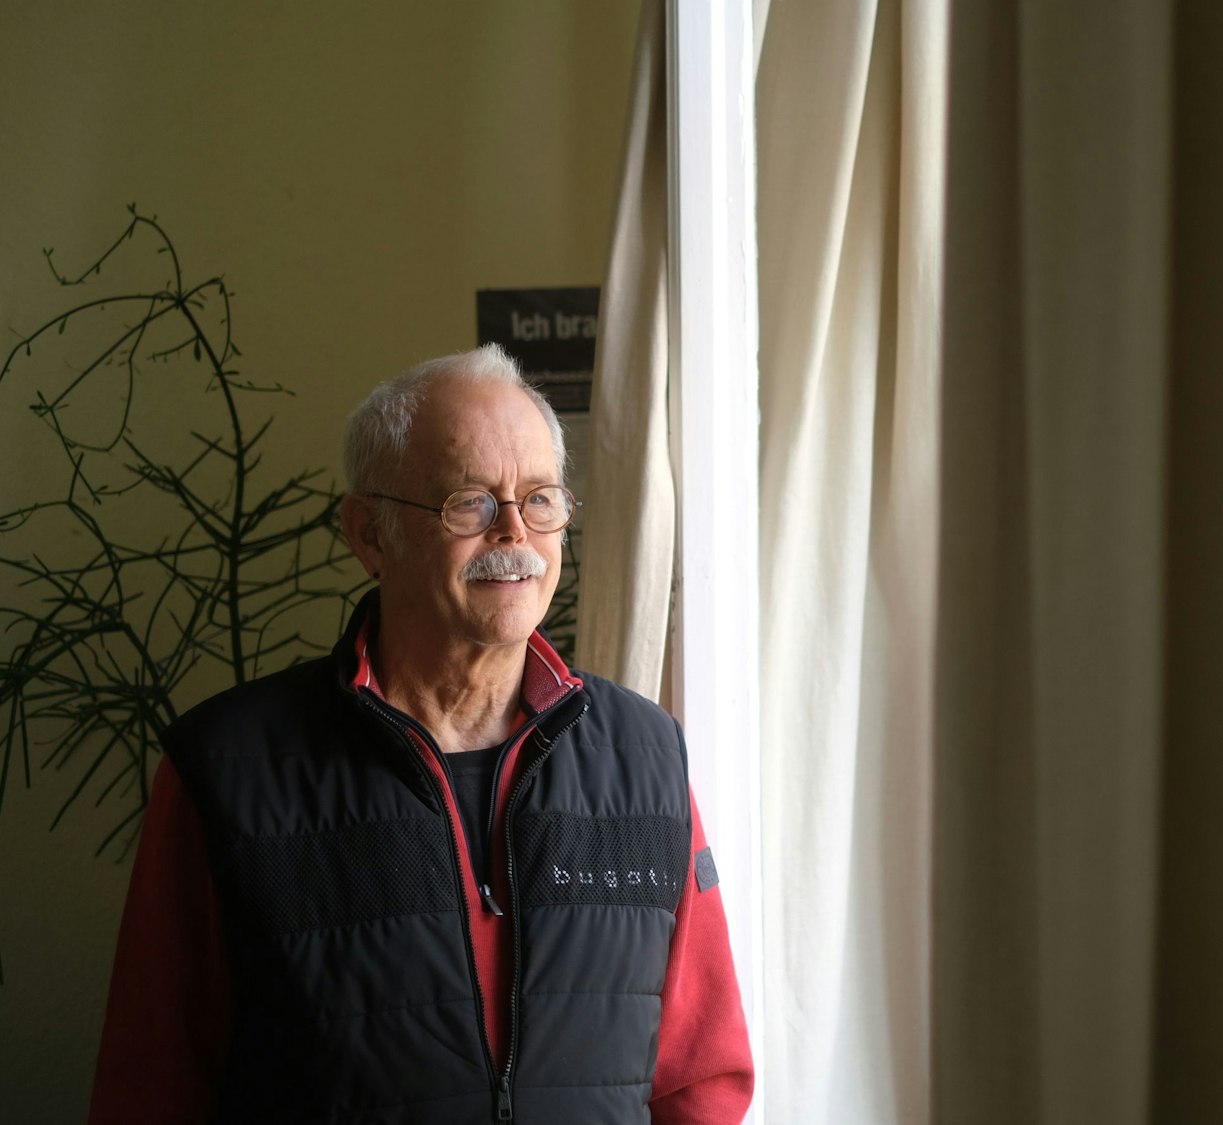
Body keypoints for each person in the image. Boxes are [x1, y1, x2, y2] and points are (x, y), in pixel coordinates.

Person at [90, 346, 753, 1124]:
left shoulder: (645, 757)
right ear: (369, 533)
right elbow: (151, 1086)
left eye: (540, 499)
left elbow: (700, 1078)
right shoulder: (227, 771)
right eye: (469, 502)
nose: (516, 533)